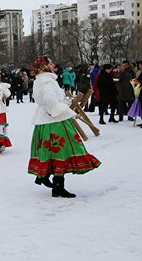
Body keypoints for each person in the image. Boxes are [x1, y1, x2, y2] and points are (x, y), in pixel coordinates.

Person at [28, 57, 101, 198]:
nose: (53, 64)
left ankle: (48, 178)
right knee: (62, 152)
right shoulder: (48, 82)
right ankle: (57, 186)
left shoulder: (41, 81)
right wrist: (59, 109)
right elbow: (50, 101)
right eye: (50, 63)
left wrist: (63, 104)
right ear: (44, 66)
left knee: (50, 152)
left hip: (45, 121)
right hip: (55, 122)